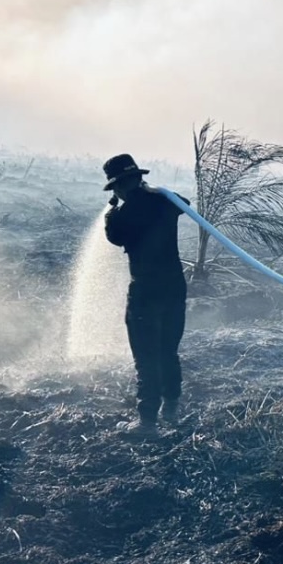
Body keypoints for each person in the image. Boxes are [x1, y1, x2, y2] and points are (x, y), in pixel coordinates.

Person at [102, 154, 189, 435]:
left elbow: (113, 235)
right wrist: (154, 192)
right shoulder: (164, 201)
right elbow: (184, 204)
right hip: (174, 288)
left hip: (145, 292)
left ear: (119, 187)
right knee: (168, 351)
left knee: (146, 356)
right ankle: (171, 409)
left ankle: (147, 421)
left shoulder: (123, 215)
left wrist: (112, 209)